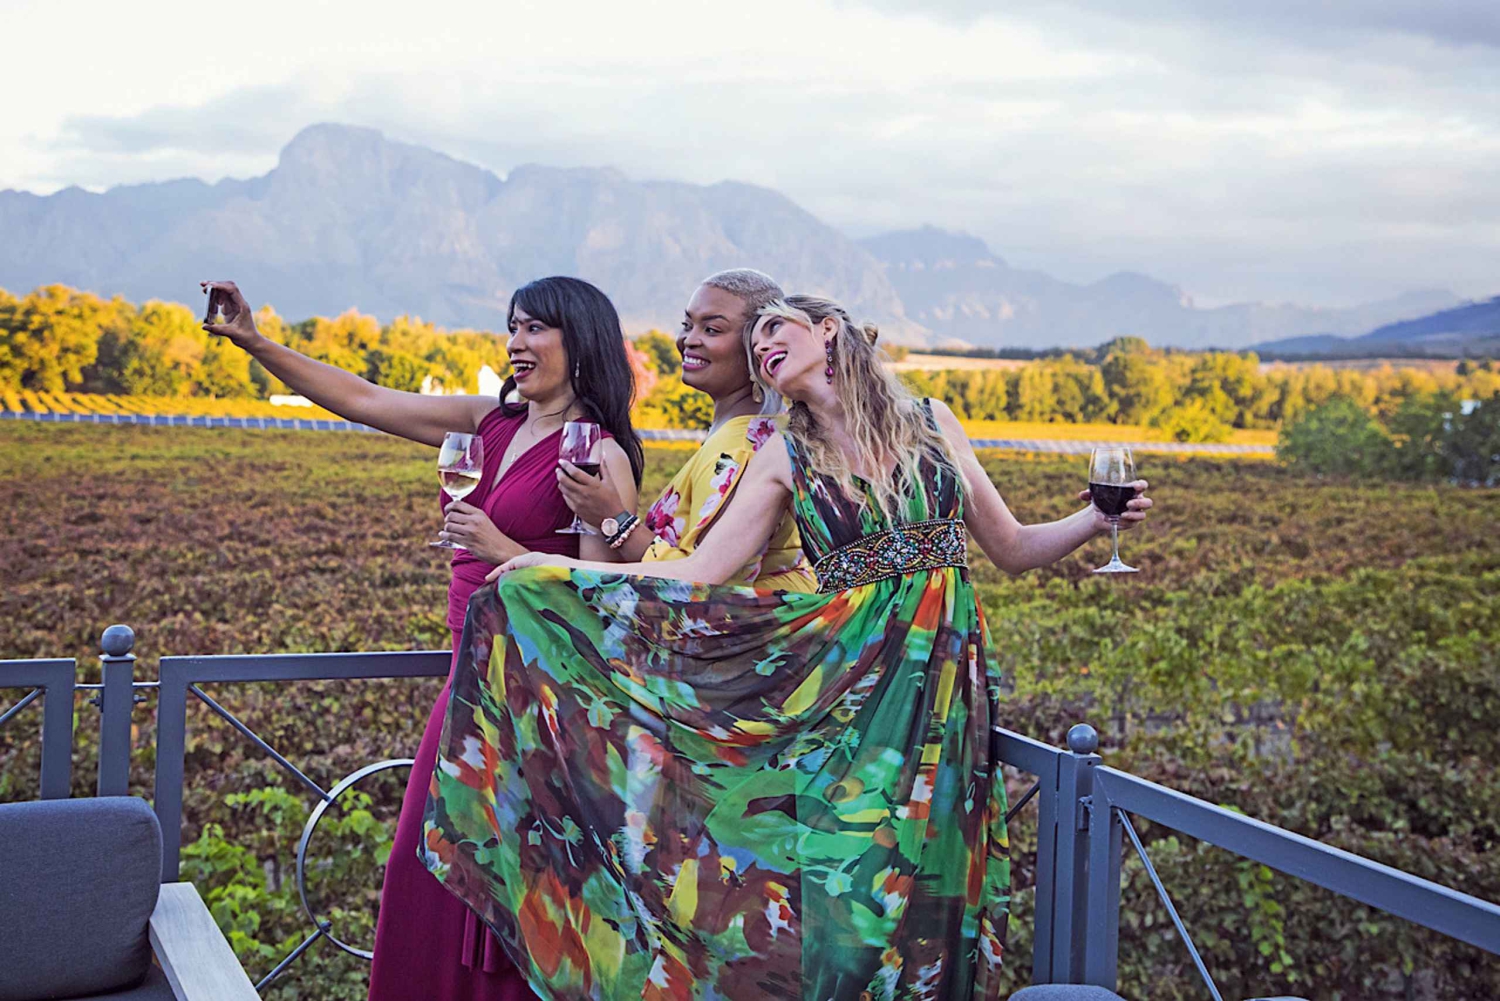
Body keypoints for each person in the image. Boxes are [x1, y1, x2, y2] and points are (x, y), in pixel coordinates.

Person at [420, 295, 1153, 999]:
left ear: (828, 330)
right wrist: (551, 568)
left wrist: (1095, 521)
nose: (764, 345)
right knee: (845, 894)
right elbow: (700, 574)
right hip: (841, 693)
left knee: (931, 886)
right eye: (757, 339)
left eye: (778, 328)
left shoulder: (932, 423)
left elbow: (1013, 548)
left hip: (941, 692)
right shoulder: (780, 453)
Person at [199, 276, 643, 1001]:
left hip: (536, 691)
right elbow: (363, 399)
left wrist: (502, 549)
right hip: (469, 672)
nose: (516, 343)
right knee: (430, 861)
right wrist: (253, 341)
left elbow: (597, 600)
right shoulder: (486, 421)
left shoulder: (596, 452)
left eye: (535, 328)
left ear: (580, 339)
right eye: (512, 327)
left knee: (503, 871)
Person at [555, 268, 815, 592]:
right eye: (687, 324)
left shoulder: (740, 447)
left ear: (757, 347)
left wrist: (613, 518)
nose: (689, 340)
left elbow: (704, 586)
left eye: (712, 329)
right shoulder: (753, 430)